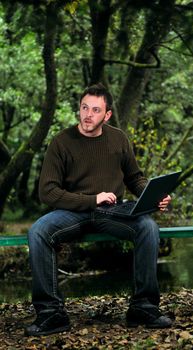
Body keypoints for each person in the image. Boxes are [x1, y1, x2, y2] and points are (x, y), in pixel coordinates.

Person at [25, 83, 172, 337]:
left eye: (95, 110)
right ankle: (51, 314)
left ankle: (143, 307)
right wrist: (93, 199)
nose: (87, 115)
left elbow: (135, 178)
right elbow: (47, 192)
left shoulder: (118, 139)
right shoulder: (61, 142)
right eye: (84, 108)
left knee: (147, 226)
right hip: (73, 212)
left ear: (107, 115)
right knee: (38, 231)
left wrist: (154, 195)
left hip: (112, 212)